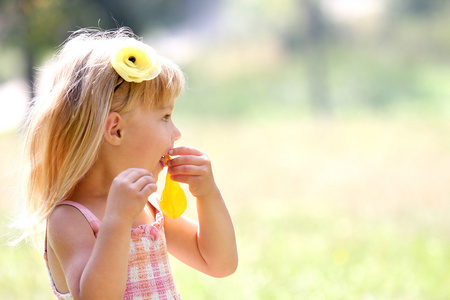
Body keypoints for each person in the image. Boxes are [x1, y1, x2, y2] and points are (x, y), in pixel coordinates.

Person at [20, 27, 238, 299]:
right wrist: (118, 221)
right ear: (115, 130)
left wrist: (208, 194)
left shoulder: (147, 206)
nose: (176, 132)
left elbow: (220, 262)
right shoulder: (70, 218)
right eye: (165, 117)